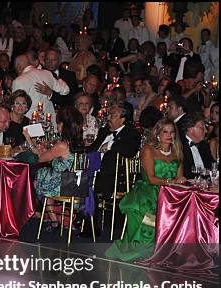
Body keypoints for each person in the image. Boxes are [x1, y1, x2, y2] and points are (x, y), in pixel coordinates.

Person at [105, 118, 185, 261]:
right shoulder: (149, 150)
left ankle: (172, 249)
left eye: (172, 132)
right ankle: (143, 249)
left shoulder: (177, 152)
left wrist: (180, 181)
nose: (169, 135)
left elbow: (179, 177)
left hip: (170, 192)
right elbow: (151, 178)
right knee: (152, 207)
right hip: (150, 189)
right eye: (165, 131)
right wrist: (169, 181)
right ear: (158, 133)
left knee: (187, 206)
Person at [24, 106, 84, 231]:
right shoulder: (79, 143)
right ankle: (53, 219)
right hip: (79, 184)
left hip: (67, 186)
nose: (57, 126)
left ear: (63, 125)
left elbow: (41, 159)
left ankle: (52, 219)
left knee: (38, 175)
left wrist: (29, 139)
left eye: (58, 123)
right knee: (46, 176)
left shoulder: (62, 145)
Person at [87, 103, 141, 197]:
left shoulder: (131, 133)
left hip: (112, 179)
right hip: (92, 174)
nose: (108, 118)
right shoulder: (104, 131)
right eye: (108, 114)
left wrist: (110, 144)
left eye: (112, 115)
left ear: (122, 119)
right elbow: (91, 150)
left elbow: (130, 150)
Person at [180, 112, 214, 179]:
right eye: (202, 127)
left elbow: (212, 166)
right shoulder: (180, 146)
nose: (206, 131)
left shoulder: (204, 145)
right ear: (190, 129)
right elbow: (185, 174)